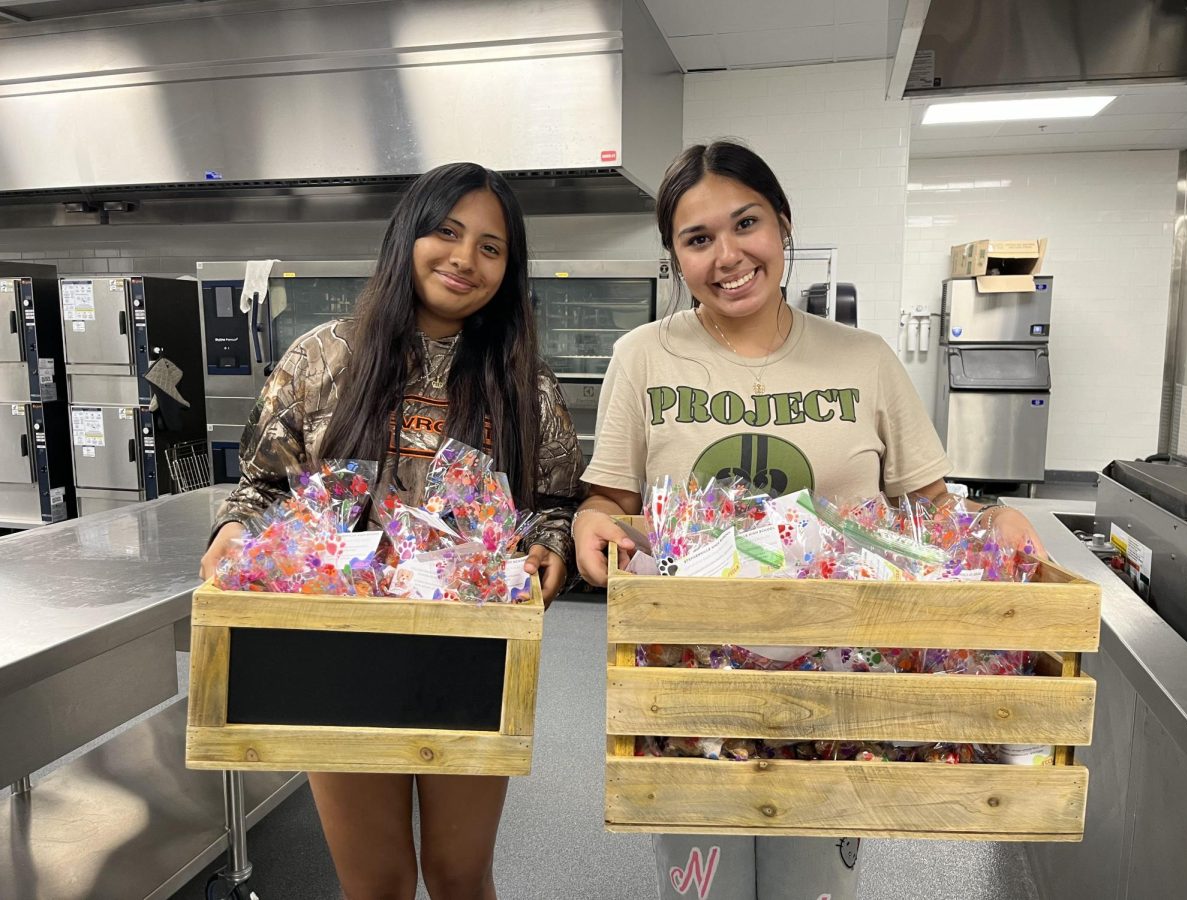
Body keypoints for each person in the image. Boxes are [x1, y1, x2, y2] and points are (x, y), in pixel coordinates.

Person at [572, 140, 1045, 900]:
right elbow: (610, 504)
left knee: (813, 890)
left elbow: (933, 512)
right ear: (675, 257)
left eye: (746, 224)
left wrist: (991, 522)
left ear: (784, 227)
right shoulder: (643, 356)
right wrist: (588, 524)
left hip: (840, 693)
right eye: (697, 240)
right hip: (691, 695)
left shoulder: (866, 359)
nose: (727, 256)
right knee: (703, 889)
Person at [199, 162, 584, 900]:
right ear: (407, 235)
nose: (465, 259)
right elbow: (263, 485)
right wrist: (237, 529)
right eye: (446, 232)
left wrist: (550, 549)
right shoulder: (322, 358)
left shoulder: (524, 381)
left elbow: (553, 505)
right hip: (336, 649)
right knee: (374, 883)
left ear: (510, 266)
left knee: (460, 876)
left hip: (470, 653)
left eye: (491, 246)